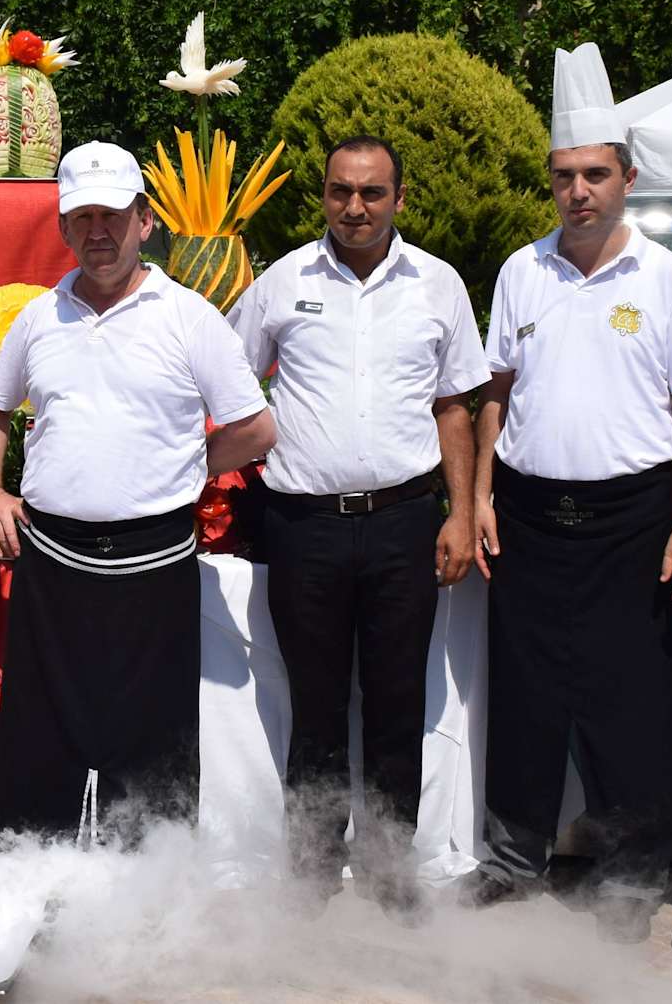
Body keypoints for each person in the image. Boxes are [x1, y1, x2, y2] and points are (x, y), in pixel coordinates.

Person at [462, 46, 672, 942]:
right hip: (530, 517)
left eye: (596, 175)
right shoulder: (520, 272)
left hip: (633, 521)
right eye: (565, 176)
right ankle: (511, 863)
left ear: (627, 179)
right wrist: (482, 495)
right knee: (525, 697)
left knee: (631, 708)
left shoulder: (667, 278)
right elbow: (496, 394)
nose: (579, 191)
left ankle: (629, 880)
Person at [0, 141, 276, 841]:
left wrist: (186, 465)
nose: (98, 232)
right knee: (37, 748)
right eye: (82, 218)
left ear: (144, 220)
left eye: (112, 215)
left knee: (153, 755)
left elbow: (257, 428)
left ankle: (146, 900)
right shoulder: (39, 318)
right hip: (51, 563)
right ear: (62, 227)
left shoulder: (189, 317)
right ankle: (30, 895)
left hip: (155, 566)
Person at [226, 136, 486, 919]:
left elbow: (454, 407)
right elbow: (232, 380)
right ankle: (310, 872)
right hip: (304, 527)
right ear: (325, 196)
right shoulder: (283, 282)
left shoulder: (437, 285)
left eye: (372, 193)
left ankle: (387, 871)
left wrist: (462, 513)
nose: (355, 207)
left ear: (399, 199)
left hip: (405, 523)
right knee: (315, 705)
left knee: (398, 703)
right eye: (341, 191)